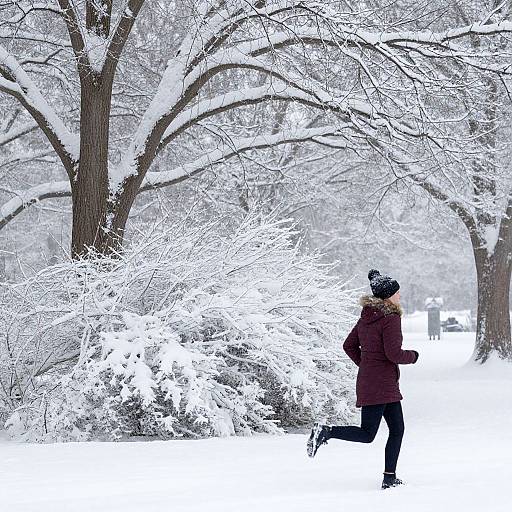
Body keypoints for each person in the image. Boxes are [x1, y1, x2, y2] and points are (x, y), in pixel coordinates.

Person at [306, 269, 419, 490]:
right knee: (368, 434)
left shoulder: (367, 317)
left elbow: (349, 346)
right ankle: (326, 431)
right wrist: (413, 356)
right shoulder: (390, 318)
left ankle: (389, 478)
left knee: (397, 429)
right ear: (387, 296)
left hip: (376, 382)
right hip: (381, 384)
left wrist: (367, 366)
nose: (399, 296)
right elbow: (393, 354)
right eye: (397, 293)